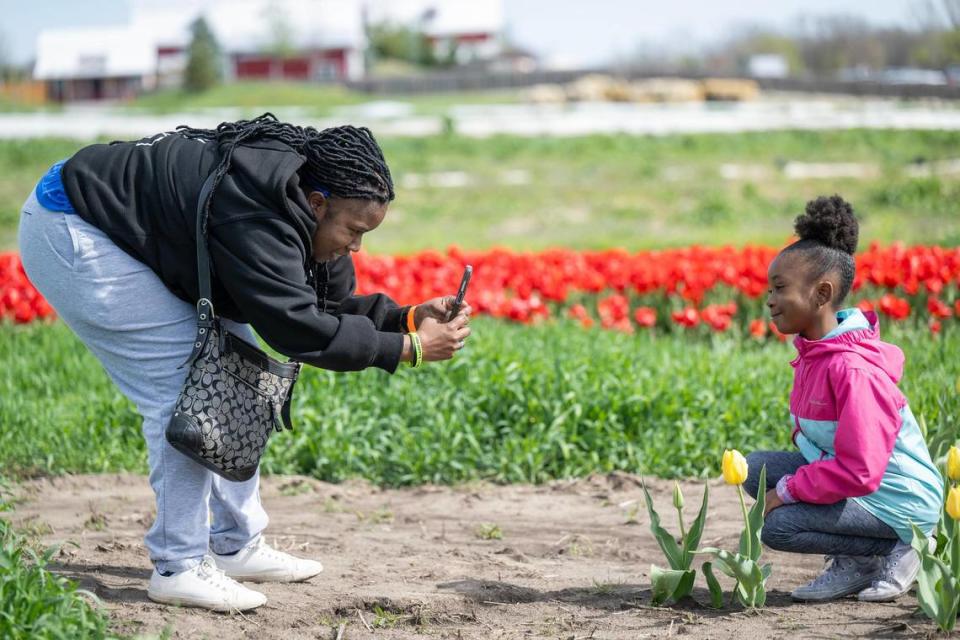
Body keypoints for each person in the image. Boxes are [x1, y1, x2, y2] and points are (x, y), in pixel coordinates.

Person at [17, 113, 472, 612]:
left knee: (240, 373)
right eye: (354, 231)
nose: (357, 246)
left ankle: (234, 544)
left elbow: (322, 306)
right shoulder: (258, 213)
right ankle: (179, 565)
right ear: (317, 204)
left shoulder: (310, 203)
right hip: (75, 225)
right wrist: (411, 349)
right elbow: (297, 329)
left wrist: (406, 318)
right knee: (185, 391)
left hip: (131, 228)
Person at [744, 195, 942, 603]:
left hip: (899, 499)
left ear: (821, 294)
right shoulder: (815, 353)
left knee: (778, 526)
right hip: (864, 484)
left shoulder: (852, 371)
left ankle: (902, 548)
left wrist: (790, 490)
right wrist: (786, 484)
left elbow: (860, 471)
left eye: (780, 288)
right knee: (755, 470)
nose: (770, 300)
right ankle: (857, 559)